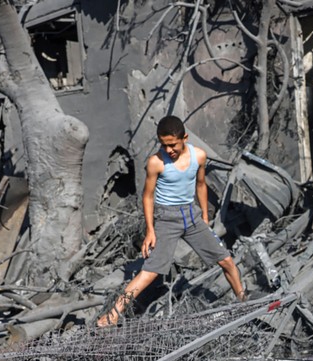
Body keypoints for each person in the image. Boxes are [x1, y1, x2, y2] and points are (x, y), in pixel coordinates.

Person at [98, 116, 245, 326]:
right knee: (149, 273)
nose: (169, 150)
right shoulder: (156, 163)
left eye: (172, 144)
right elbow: (147, 196)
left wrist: (204, 215)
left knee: (227, 261)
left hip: (191, 216)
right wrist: (150, 230)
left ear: (184, 138)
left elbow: (201, 184)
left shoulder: (199, 156)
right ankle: (112, 315)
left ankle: (243, 300)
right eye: (164, 145)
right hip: (167, 219)